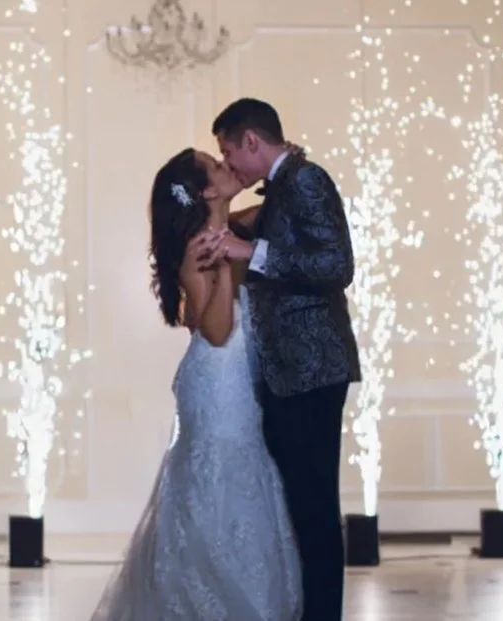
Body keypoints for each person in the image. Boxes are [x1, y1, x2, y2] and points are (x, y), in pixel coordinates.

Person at [88, 148, 302, 621]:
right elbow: (218, 329)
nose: (230, 168)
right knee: (220, 479)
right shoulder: (200, 246)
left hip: (236, 379)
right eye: (219, 166)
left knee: (243, 476)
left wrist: (284, 168)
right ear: (205, 191)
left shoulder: (230, 227)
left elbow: (276, 211)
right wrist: (225, 268)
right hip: (218, 380)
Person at [209, 97, 361, 621]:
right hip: (289, 372)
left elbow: (337, 264)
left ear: (252, 141)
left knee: (315, 509)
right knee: (299, 507)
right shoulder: (282, 187)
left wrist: (252, 254)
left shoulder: (307, 179)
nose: (230, 164)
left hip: (313, 369)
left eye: (230, 152)